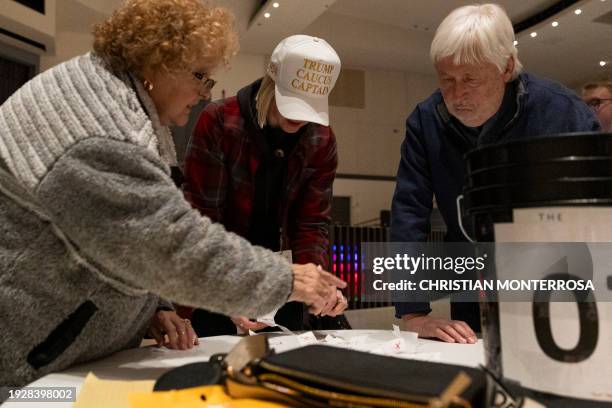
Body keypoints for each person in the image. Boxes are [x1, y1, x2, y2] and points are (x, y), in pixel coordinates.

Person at [0, 0, 345, 389]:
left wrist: (153, 306)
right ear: (158, 64)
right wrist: (284, 281)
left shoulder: (116, 101)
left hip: (58, 348)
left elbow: (121, 236)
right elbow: (169, 244)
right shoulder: (105, 132)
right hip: (29, 361)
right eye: (200, 75)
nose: (203, 91)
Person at [391, 3, 600, 344]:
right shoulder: (426, 120)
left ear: (505, 68)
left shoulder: (563, 115)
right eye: (447, 80)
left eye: (471, 79)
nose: (457, 96)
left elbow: (594, 216)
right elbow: (408, 216)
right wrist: (414, 313)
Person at [183, 35, 348, 336]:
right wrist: (230, 290)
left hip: (285, 283)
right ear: (271, 81)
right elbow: (203, 220)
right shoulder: (220, 121)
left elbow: (311, 223)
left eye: (308, 108)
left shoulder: (320, 139)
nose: (299, 118)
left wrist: (318, 282)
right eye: (292, 104)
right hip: (216, 279)